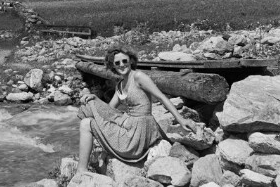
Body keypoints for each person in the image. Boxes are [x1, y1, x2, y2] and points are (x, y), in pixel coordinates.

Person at [75, 45, 197, 174]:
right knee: (87, 116)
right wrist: (94, 98)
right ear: (113, 66)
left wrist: (181, 120)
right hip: (130, 126)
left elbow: (162, 97)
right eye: (117, 63)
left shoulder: (139, 76)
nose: (122, 65)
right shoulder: (120, 85)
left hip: (140, 131)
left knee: (86, 123)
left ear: (131, 61)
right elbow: (109, 110)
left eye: (125, 61)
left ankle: (81, 170)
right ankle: (81, 170)